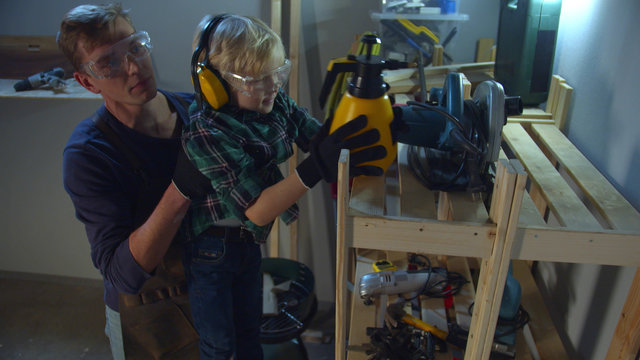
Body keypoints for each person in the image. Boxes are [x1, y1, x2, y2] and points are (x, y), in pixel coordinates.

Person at [181, 13, 388, 359]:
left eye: (277, 73)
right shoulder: (205, 131)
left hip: (246, 244)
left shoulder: (273, 103)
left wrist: (348, 144)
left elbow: (316, 136)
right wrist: (315, 167)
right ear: (215, 84)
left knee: (250, 332)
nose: (273, 86)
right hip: (210, 251)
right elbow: (257, 211)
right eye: (259, 80)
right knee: (220, 344)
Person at [59, 4, 209, 359]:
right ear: (86, 81)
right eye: (108, 62)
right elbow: (122, 274)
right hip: (151, 313)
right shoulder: (89, 156)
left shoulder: (198, 113)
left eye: (135, 48)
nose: (132, 67)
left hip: (216, 288)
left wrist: (311, 165)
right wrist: (180, 189)